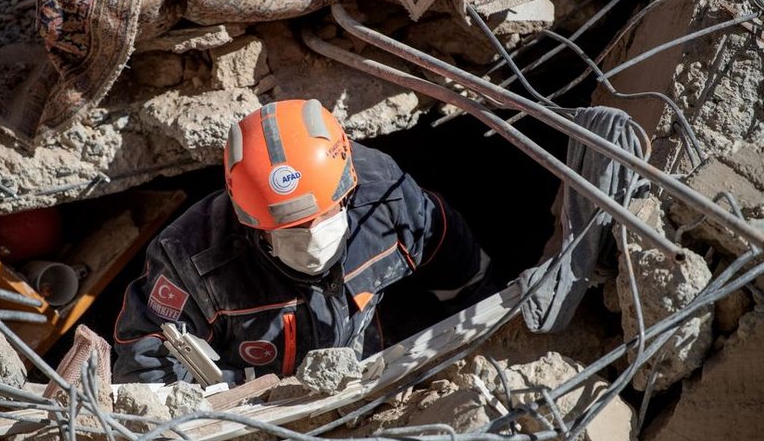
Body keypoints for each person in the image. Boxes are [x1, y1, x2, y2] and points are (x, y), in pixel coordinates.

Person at [113, 99, 495, 384]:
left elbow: (453, 256)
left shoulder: (386, 198)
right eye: (289, 229)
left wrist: (482, 344)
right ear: (250, 222)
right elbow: (146, 364)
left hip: (372, 374)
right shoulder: (191, 259)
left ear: (347, 191)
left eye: (322, 217)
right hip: (258, 415)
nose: (312, 235)